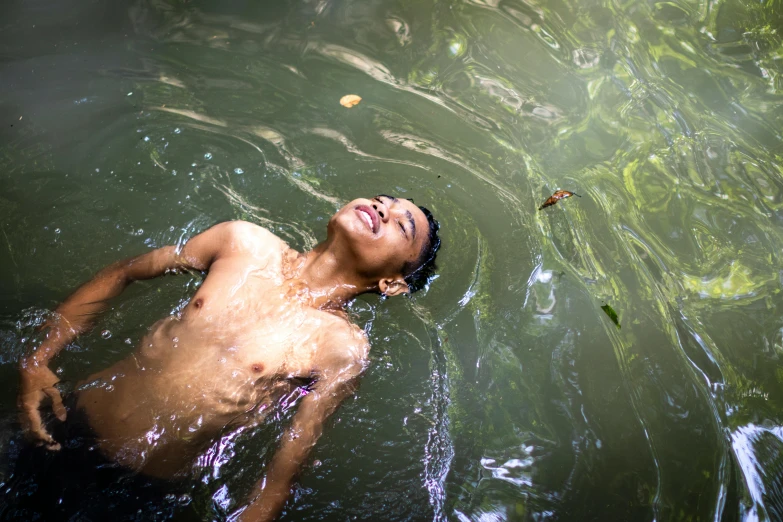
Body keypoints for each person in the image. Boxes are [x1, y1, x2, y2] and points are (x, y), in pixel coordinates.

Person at [15, 195, 440, 521]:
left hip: (138, 489)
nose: (384, 209)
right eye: (385, 200)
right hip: (65, 419)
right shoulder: (243, 242)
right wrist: (37, 361)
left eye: (401, 224)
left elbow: (287, 466)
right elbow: (124, 271)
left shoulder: (340, 347)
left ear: (394, 283)